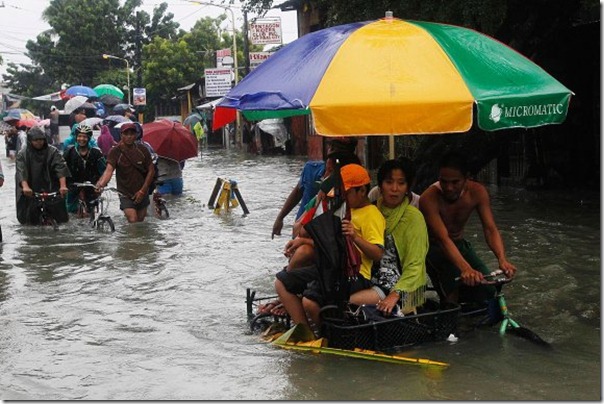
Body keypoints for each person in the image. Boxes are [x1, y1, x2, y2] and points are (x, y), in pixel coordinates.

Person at [274, 163, 385, 331]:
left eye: (346, 192)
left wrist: (354, 236)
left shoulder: (372, 215)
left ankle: (327, 334)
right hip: (332, 269)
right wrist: (303, 241)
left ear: (362, 191)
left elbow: (377, 254)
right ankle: (304, 331)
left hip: (355, 275)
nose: (341, 196)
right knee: (281, 281)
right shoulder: (344, 210)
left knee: (310, 301)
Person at [419, 151, 517, 306]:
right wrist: (466, 269)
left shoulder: (478, 192)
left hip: (459, 243)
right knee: (451, 296)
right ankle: (450, 323)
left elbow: (490, 229)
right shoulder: (428, 198)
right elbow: (443, 239)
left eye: (455, 182)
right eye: (444, 181)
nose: (449, 187)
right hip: (434, 248)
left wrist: (502, 259)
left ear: (467, 178)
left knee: (489, 290)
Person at [349, 158, 429, 316]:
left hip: (395, 283)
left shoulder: (414, 218)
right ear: (380, 186)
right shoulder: (370, 210)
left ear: (407, 188)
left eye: (401, 183)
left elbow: (416, 264)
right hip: (363, 276)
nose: (394, 189)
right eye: (389, 182)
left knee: (348, 300)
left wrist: (396, 293)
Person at [271, 137, 358, 239]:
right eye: (332, 147)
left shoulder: (351, 181)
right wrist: (280, 218)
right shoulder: (311, 169)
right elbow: (298, 191)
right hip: (303, 233)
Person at [95, 122, 155, 223]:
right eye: (126, 134)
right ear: (121, 135)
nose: (129, 137)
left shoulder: (143, 150)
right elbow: (109, 170)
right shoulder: (115, 152)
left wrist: (143, 191)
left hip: (142, 191)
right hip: (125, 193)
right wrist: (101, 184)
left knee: (140, 222)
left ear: (136, 135)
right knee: (133, 220)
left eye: (132, 134)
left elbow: (151, 170)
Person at [15, 126, 70, 225]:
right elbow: (21, 171)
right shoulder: (23, 154)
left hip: (51, 185)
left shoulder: (53, 151)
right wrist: (26, 187)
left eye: (41, 139)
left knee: (60, 217)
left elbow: (60, 167)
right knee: (29, 219)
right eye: (35, 140)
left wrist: (63, 186)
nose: (39, 142)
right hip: (30, 187)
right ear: (30, 141)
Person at [63, 123, 107, 215]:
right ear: (76, 137)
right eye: (79, 136)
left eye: (84, 137)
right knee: (71, 212)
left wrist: (100, 184)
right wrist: (63, 185)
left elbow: (104, 171)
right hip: (73, 187)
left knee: (92, 212)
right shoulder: (69, 151)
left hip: (92, 187)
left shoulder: (96, 152)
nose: (82, 139)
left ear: (89, 138)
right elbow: (62, 169)